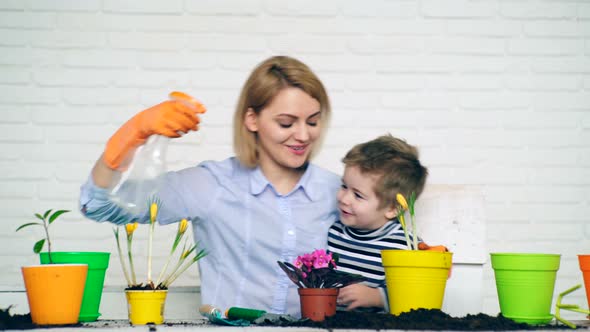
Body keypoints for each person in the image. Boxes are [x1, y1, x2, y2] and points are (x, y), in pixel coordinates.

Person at [79, 56, 341, 316]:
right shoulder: (210, 185)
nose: (304, 135)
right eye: (286, 123)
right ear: (252, 119)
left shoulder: (336, 192)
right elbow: (99, 205)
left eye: (313, 122)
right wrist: (132, 135)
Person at [327, 134, 432, 312]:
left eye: (358, 195)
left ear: (393, 208)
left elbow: (416, 296)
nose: (344, 199)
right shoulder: (334, 232)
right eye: (344, 186)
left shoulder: (404, 245)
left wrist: (377, 297)